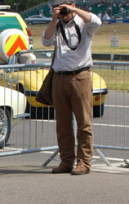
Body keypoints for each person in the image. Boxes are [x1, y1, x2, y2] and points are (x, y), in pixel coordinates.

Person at [42, 0, 102, 175]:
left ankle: (83, 162)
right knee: (63, 124)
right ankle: (66, 161)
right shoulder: (58, 25)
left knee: (84, 122)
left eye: (65, 5)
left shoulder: (84, 24)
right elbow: (46, 41)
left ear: (73, 4)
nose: (64, 10)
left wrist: (74, 10)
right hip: (60, 77)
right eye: (59, 6)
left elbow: (97, 21)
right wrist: (54, 20)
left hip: (80, 76)